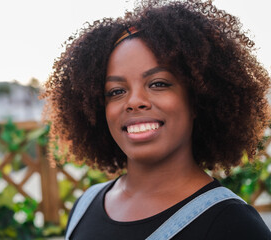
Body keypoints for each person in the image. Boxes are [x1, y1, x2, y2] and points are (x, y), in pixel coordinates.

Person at [42, 0, 271, 239]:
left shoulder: (233, 225)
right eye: (116, 91)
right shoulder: (84, 207)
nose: (134, 101)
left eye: (158, 84)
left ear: (197, 99)